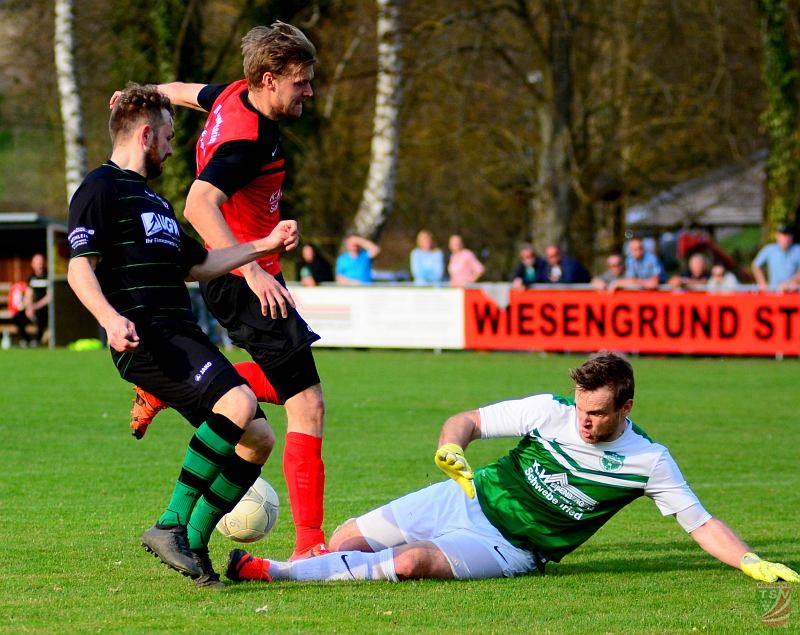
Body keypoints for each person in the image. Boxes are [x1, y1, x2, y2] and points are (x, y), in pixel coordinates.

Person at [222, 352, 800, 585]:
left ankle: (274, 572)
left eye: (598, 414)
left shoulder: (649, 462)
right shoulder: (550, 411)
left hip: (513, 547)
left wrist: (750, 559)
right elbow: (466, 419)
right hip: (467, 496)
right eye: (580, 408)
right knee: (348, 536)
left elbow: (699, 522)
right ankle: (309, 569)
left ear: (626, 408)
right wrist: (452, 448)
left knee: (411, 562)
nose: (584, 422)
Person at [67, 84, 298, 588]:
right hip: (146, 336)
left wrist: (263, 244)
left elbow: (200, 265)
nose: (174, 149)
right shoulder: (100, 188)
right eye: (170, 137)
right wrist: (109, 319)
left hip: (182, 334)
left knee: (258, 439)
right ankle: (171, 525)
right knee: (238, 404)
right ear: (146, 134)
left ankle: (192, 541)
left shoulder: (156, 201)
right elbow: (79, 268)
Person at [116, 22, 330, 561]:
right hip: (245, 280)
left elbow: (185, 93)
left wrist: (140, 95)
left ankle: (169, 390)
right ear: (266, 79)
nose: (309, 91)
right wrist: (255, 269)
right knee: (308, 404)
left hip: (240, 274)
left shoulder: (232, 96)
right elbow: (197, 204)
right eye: (301, 82)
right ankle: (310, 545)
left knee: (293, 392)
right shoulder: (247, 141)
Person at [11, 253, 50, 346]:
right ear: (32, 264)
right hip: (33, 308)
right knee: (17, 318)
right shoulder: (31, 278)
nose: (39, 265)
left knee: (42, 315)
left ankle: (37, 340)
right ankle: (27, 340)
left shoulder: (48, 276)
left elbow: (50, 296)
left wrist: (36, 307)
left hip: (44, 308)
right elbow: (28, 294)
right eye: (37, 263)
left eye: (41, 262)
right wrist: (29, 308)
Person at [751, 225, 800, 291]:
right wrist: (762, 284)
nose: (786, 238)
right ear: (777, 236)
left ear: (792, 237)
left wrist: (790, 282)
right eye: (783, 235)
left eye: (788, 235)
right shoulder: (769, 249)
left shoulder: (797, 249)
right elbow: (755, 266)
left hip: (794, 292)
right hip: (773, 291)